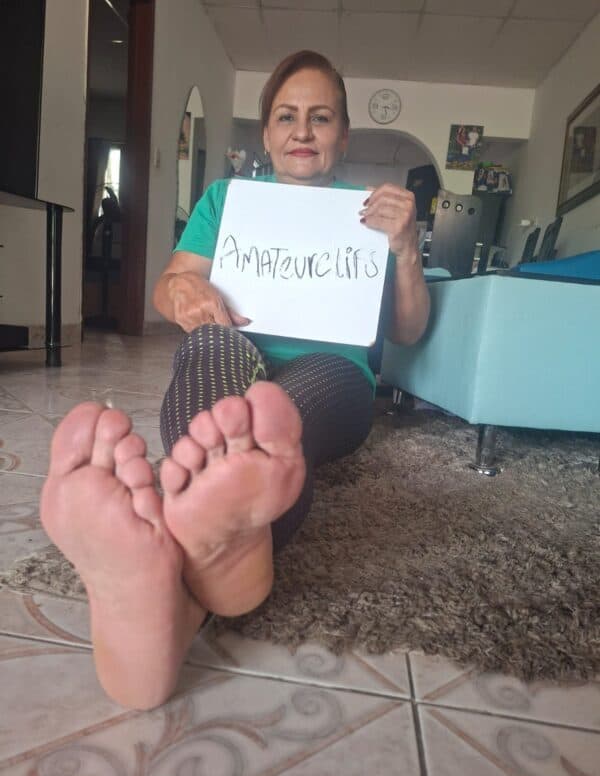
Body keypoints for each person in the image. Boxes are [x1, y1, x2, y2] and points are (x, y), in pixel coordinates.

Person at [40, 50, 430, 710]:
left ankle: (168, 580)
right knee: (215, 352)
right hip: (235, 344)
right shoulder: (226, 199)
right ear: (268, 133)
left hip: (332, 371)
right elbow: (171, 285)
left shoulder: (372, 214)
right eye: (286, 116)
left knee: (276, 416)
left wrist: (407, 250)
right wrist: (186, 293)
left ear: (343, 136)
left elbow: (410, 331)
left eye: (320, 117)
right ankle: (219, 565)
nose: (302, 130)